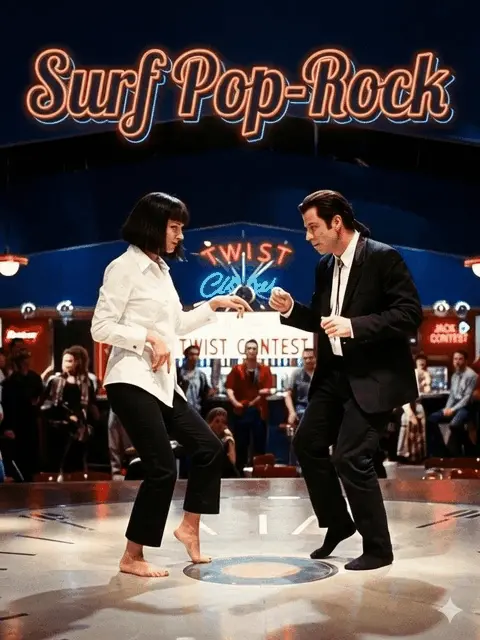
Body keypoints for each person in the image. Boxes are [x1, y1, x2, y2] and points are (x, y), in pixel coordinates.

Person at [91, 192, 251, 578]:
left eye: (181, 228)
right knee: (162, 468)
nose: (180, 235)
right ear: (152, 225)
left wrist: (215, 304)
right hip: (130, 379)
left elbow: (176, 324)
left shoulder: (161, 270)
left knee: (210, 449)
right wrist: (146, 336)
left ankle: (189, 528)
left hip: (162, 383)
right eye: (174, 227)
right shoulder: (123, 268)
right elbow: (100, 326)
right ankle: (132, 556)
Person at [269, 190, 422, 571]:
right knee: (306, 443)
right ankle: (338, 522)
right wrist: (291, 310)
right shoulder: (325, 266)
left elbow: (409, 315)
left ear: (337, 222)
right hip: (334, 375)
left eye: (313, 227)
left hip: (373, 378)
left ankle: (378, 549)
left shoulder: (383, 257)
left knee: (350, 457)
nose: (308, 236)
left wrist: (355, 326)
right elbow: (324, 321)